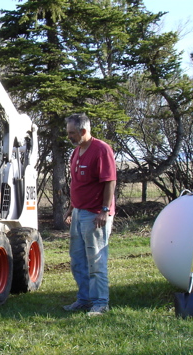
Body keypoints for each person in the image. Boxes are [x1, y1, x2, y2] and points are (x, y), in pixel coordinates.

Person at [62, 113, 117, 316]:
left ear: (84, 131)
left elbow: (109, 181)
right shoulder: (77, 151)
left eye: (71, 133)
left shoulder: (101, 150)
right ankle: (84, 299)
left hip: (95, 214)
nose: (69, 137)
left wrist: (104, 210)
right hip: (78, 212)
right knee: (77, 259)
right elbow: (77, 183)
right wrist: (71, 207)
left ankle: (100, 303)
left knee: (96, 260)